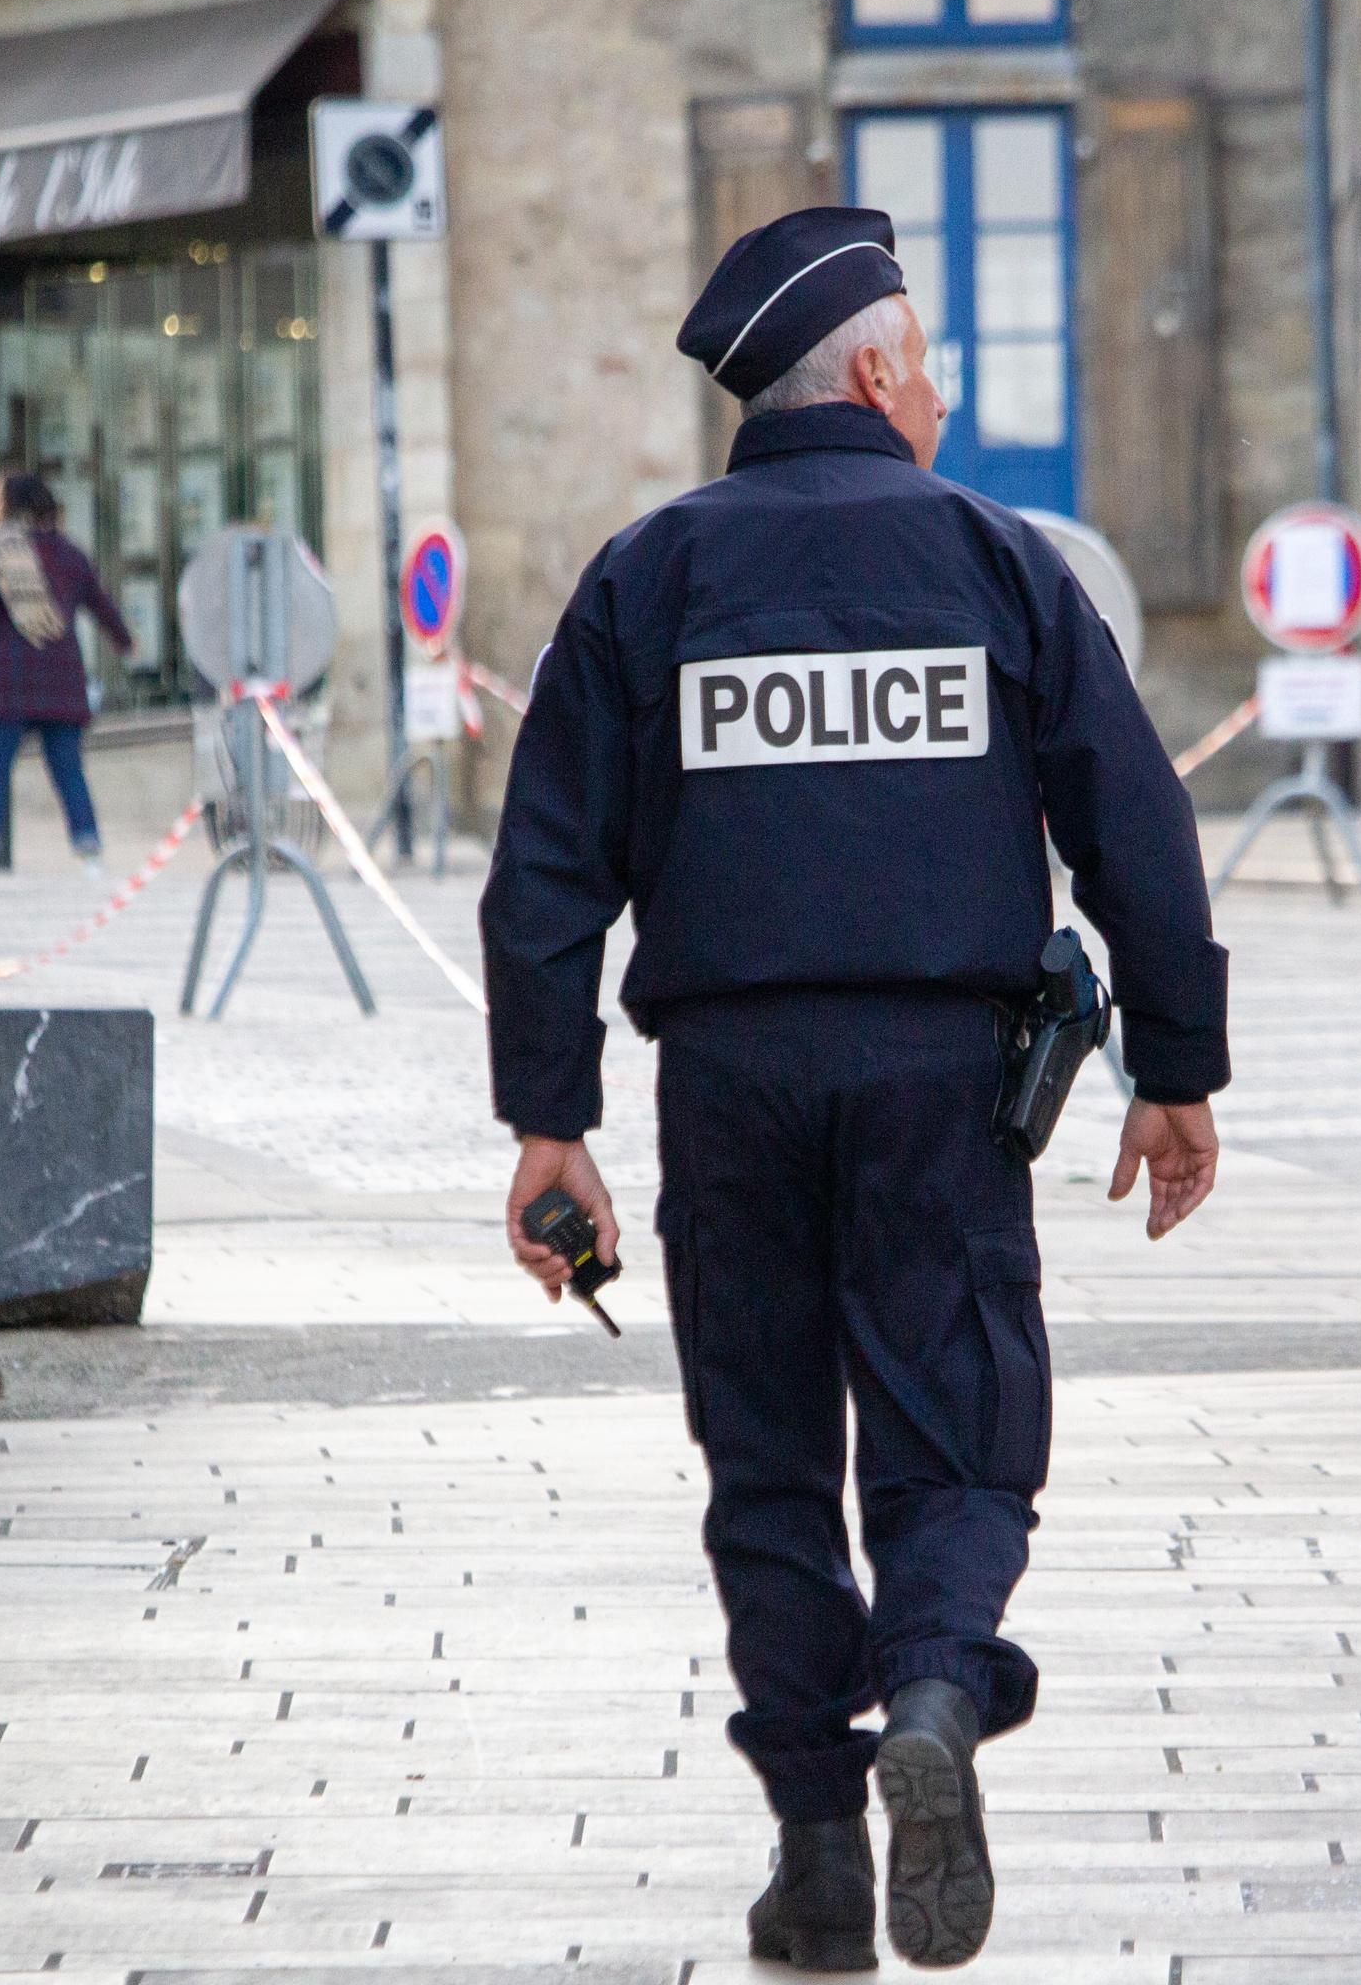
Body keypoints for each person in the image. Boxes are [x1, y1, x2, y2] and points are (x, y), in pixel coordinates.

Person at [478, 206, 1230, 1974]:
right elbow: (1137, 829)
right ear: (878, 371)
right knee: (956, 1423)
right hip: (939, 1079)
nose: (949, 402)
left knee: (764, 1460)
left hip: (726, 1082)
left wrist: (547, 1123)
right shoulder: (995, 560)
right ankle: (940, 1697)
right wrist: (1175, 1071)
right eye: (935, 367)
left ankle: (819, 1855)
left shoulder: (648, 576)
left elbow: (545, 876)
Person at [0, 473, 131, 875]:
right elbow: (100, 603)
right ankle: (88, 848)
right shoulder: (69, 553)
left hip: (12, 677)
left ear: (9, 505)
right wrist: (124, 640)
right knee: (68, 769)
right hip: (61, 677)